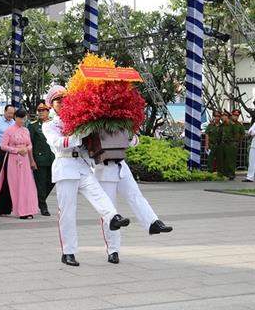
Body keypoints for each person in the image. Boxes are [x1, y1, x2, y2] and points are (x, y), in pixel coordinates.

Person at [42, 85, 130, 266]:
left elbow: (85, 145)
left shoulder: (77, 121)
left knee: (99, 194)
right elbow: (60, 143)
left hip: (81, 165)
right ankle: (69, 252)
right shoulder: (49, 126)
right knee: (67, 212)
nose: (63, 103)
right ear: (52, 105)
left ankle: (113, 217)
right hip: (65, 165)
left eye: (66, 100)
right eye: (58, 101)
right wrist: (80, 134)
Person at [94, 135, 173, 264]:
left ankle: (153, 223)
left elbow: (135, 142)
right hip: (103, 170)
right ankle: (113, 250)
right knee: (110, 211)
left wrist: (129, 136)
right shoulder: (94, 124)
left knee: (136, 195)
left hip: (121, 167)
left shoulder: (121, 123)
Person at [0, 109, 38, 219]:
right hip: (12, 160)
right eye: (21, 118)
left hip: (25, 160)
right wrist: (16, 150)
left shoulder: (26, 130)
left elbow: (30, 144)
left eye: (25, 118)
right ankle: (8, 208)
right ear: (15, 118)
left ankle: (26, 209)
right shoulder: (9, 131)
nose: (23, 120)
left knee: (26, 185)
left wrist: (26, 149)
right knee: (12, 184)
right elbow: (3, 146)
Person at [28, 102, 56, 216]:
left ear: (48, 111)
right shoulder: (33, 125)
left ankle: (39, 199)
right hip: (39, 159)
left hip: (52, 158)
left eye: (43, 110)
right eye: (39, 110)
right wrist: (32, 160)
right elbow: (30, 144)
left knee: (52, 181)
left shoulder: (53, 124)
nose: (41, 112)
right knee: (40, 184)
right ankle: (43, 206)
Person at [218, 111, 237, 180]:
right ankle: (224, 173)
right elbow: (219, 134)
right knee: (222, 159)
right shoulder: (222, 125)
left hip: (230, 144)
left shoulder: (232, 125)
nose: (222, 117)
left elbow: (236, 135)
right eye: (222, 116)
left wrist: (233, 142)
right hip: (222, 144)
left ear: (227, 117)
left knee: (230, 160)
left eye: (224, 116)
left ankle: (231, 174)